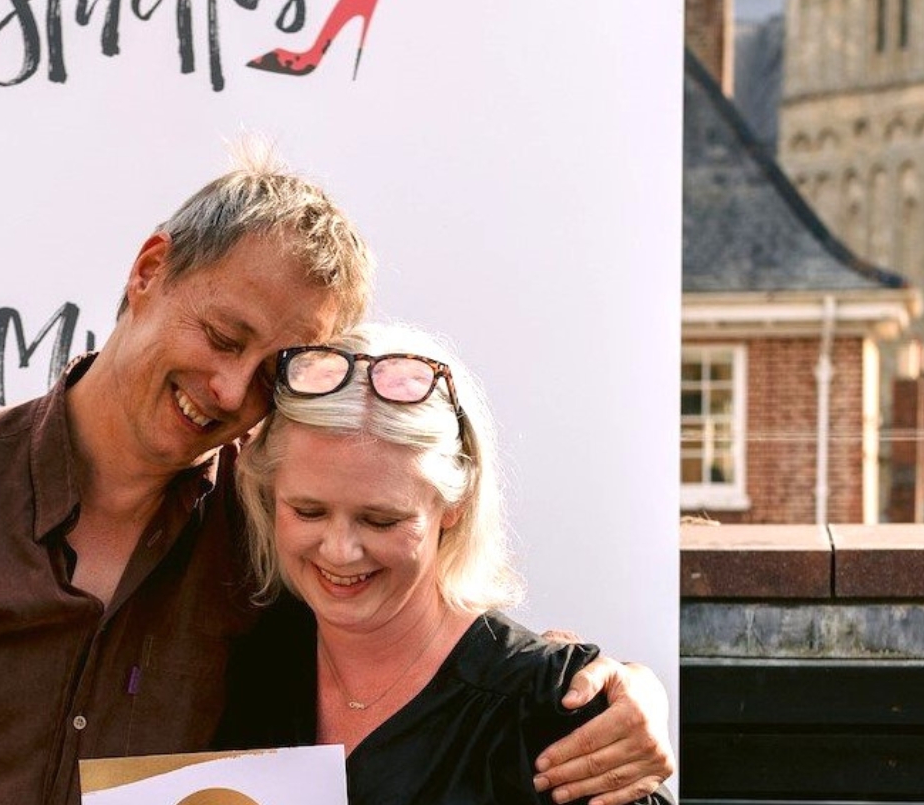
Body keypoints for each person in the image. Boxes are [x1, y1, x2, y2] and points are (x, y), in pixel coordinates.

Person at [0, 156, 674, 805]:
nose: (229, 389)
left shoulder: (270, 530)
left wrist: (616, 689)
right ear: (149, 272)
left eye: (271, 373)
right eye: (222, 337)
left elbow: (421, 638)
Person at [220, 324, 672, 805]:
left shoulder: (555, 706)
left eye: (381, 520)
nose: (339, 550)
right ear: (268, 495)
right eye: (308, 511)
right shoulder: (250, 665)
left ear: (454, 504)